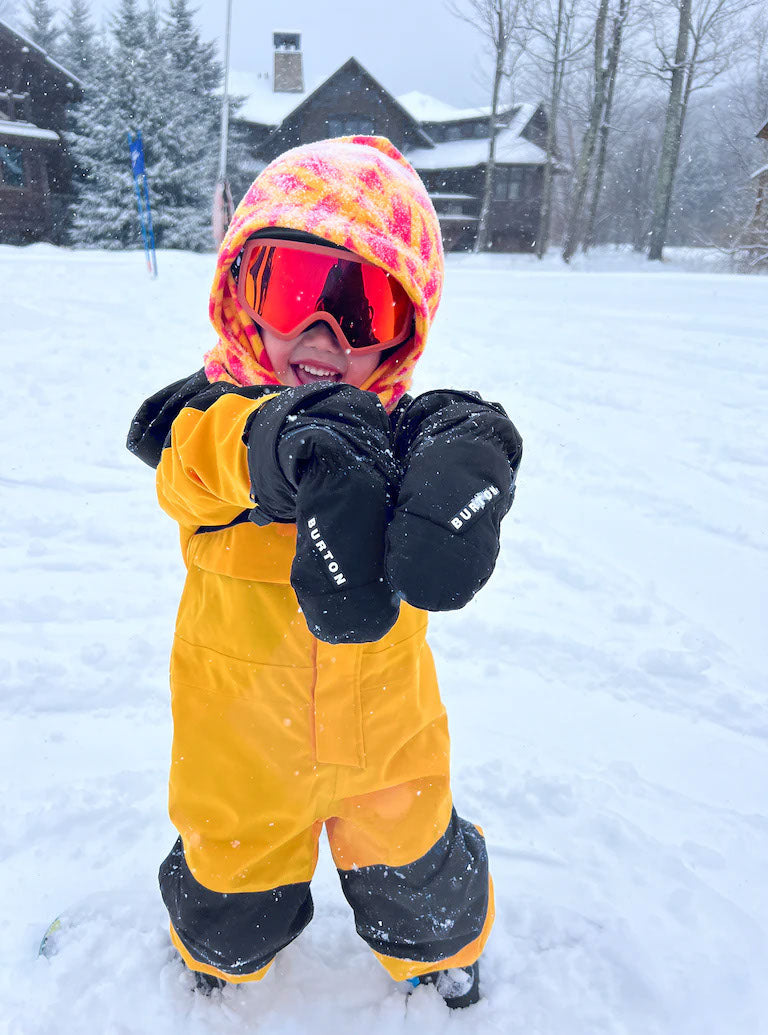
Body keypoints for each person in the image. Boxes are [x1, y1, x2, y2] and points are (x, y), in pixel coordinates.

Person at [127, 136, 522, 1009]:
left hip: (387, 737)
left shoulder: (397, 435)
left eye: (361, 306)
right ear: (241, 295)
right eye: (293, 289)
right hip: (240, 742)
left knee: (418, 872)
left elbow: (445, 434)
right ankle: (216, 957)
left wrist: (473, 443)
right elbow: (200, 466)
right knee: (233, 889)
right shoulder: (206, 425)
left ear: (402, 336)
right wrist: (281, 440)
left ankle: (438, 954)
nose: (321, 333)